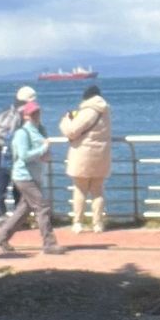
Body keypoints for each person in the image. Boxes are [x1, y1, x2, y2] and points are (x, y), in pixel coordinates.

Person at [0, 100, 59, 254]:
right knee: (42, 206)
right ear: (26, 116)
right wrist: (43, 149)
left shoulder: (40, 130)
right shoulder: (22, 133)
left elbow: (42, 153)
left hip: (35, 175)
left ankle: (1, 237)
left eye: (38, 112)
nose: (37, 115)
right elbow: (24, 155)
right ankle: (49, 243)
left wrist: (46, 154)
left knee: (23, 210)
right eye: (33, 113)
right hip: (23, 176)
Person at [60, 82, 115, 233]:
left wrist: (66, 120)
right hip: (101, 155)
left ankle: (78, 222)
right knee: (98, 190)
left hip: (83, 155)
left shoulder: (88, 111)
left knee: (80, 189)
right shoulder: (105, 112)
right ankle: (98, 224)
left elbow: (71, 131)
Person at [0, 83, 34, 215]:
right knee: (18, 185)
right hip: (10, 152)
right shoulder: (23, 113)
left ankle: (0, 215)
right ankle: (18, 217)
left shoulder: (7, 110)